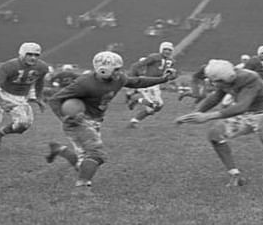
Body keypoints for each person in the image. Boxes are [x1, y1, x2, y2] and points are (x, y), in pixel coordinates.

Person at [175, 59, 263, 195]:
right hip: (247, 114)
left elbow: (242, 106)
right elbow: (216, 97)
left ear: (225, 78)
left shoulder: (249, 77)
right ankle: (235, 175)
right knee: (215, 134)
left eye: (217, 81)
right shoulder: (224, 77)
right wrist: (193, 115)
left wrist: (207, 116)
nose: (215, 83)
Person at [45, 51, 177, 195]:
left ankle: (60, 150)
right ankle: (82, 188)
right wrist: (64, 117)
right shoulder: (84, 83)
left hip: (94, 121)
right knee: (96, 154)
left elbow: (137, 82)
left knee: (84, 164)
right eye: (116, 69)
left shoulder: (118, 78)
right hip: (78, 122)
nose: (119, 72)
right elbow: (55, 100)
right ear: (103, 69)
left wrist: (163, 79)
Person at [126, 41, 177, 128]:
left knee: (154, 109)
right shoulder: (154, 57)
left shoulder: (171, 61)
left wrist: (172, 75)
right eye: (165, 49)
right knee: (155, 105)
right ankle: (136, 103)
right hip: (148, 83)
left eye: (169, 50)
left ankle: (134, 120)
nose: (167, 51)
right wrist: (134, 78)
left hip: (156, 85)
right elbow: (135, 65)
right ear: (161, 49)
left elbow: (170, 75)